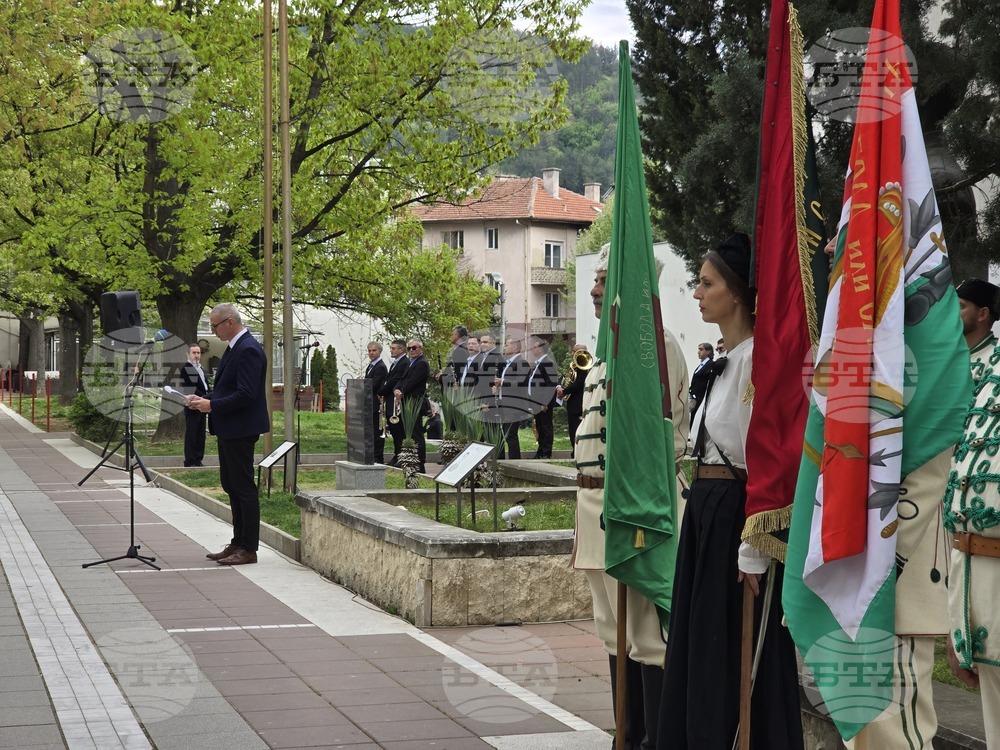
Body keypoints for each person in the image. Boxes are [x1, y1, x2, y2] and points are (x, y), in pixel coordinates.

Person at [658, 235, 802, 750]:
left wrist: (753, 546)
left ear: (737, 292)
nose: (697, 293)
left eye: (707, 283)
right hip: (706, 512)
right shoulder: (725, 361)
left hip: (735, 518)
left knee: (732, 650)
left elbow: (767, 456)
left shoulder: (760, 361)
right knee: (700, 641)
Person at [572, 246, 689, 749]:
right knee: (612, 631)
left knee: (646, 637)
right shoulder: (604, 351)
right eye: (596, 279)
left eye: (604, 280)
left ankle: (653, 741)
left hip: (635, 507)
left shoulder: (654, 345)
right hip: (594, 509)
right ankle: (627, 733)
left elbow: (666, 437)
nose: (595, 289)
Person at [946, 278, 1000, 747]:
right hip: (966, 558)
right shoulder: (946, 363)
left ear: (984, 313)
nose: (952, 312)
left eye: (961, 305)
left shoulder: (993, 365)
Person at [188, 304, 269, 567]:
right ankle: (238, 542)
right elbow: (227, 389)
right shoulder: (235, 347)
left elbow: (246, 394)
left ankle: (249, 548)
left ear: (230, 322)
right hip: (229, 427)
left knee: (243, 487)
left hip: (241, 429)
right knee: (231, 485)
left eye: (215, 326)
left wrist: (212, 405)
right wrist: (203, 398)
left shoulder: (248, 349)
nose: (213, 331)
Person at [394, 339, 430, 473]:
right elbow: (402, 379)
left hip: (414, 402)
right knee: (409, 432)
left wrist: (402, 392)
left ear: (421, 349)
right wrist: (396, 389)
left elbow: (412, 382)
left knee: (416, 433)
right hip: (406, 401)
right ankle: (410, 460)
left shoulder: (422, 363)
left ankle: (420, 464)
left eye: (414, 348)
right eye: (409, 348)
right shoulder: (410, 362)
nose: (411, 350)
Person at [492, 337, 529, 459]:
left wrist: (502, 381)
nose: (504, 348)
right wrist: (498, 387)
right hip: (505, 404)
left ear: (514, 347)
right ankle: (509, 460)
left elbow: (521, 382)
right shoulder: (509, 363)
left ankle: (515, 461)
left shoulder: (521, 362)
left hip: (514, 405)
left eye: (506, 345)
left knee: (511, 435)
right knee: (506, 434)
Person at [179, 343, 209, 467]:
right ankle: (190, 460)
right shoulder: (186, 368)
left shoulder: (201, 369)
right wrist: (206, 397)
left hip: (202, 404)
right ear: (188, 354)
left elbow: (205, 386)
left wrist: (208, 396)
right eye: (194, 353)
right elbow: (190, 388)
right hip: (193, 404)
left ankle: (198, 459)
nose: (196, 355)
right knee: (192, 433)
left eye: (198, 353)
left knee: (201, 433)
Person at [527, 337, 558, 459]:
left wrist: (545, 402)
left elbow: (550, 385)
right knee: (539, 426)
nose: (532, 349)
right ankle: (540, 451)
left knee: (546, 427)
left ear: (540, 349)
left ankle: (546, 452)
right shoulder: (539, 363)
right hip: (536, 402)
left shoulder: (547, 363)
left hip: (543, 403)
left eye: (534, 347)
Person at [379, 339, 408, 465]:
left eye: (393, 348)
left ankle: (400, 456)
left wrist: (381, 391)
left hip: (396, 401)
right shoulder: (395, 363)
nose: (391, 350)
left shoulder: (404, 362)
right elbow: (388, 380)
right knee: (394, 431)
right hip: (390, 400)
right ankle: (397, 455)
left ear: (401, 349)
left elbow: (394, 381)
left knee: (398, 431)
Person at [556, 344, 588, 457]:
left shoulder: (583, 365)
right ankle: (575, 452)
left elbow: (578, 384)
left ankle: (577, 453)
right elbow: (567, 379)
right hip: (572, 402)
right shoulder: (574, 366)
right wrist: (560, 387)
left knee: (576, 429)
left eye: (574, 351)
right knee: (572, 429)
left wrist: (564, 391)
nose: (572, 353)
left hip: (578, 403)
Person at [364, 342, 388, 464]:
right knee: (370, 431)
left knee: (377, 432)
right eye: (369, 351)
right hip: (368, 403)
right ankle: (370, 454)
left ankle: (378, 457)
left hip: (375, 403)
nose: (371, 353)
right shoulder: (371, 366)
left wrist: (362, 385)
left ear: (379, 352)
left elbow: (373, 385)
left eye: (374, 350)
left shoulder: (380, 367)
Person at [687, 342, 713, 428]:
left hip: (701, 399)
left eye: (701, 350)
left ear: (708, 351)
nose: (698, 352)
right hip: (695, 399)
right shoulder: (701, 365)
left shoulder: (710, 365)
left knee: (697, 423)